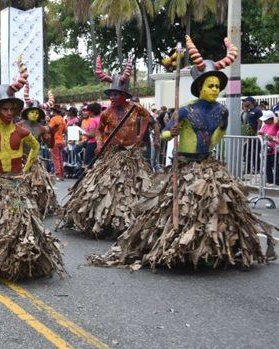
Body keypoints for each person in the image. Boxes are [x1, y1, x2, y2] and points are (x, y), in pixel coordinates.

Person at [91, 36, 275, 270]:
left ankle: (217, 247)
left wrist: (141, 139)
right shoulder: (186, 111)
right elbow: (164, 135)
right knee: (175, 208)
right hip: (184, 166)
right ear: (200, 87)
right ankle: (175, 246)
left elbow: (219, 134)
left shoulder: (222, 111)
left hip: (208, 167)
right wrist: (172, 132)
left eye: (217, 86)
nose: (214, 90)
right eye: (210, 86)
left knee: (218, 206)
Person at [0, 77, 65, 280]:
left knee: (23, 218)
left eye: (12, 109)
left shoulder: (22, 131)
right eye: (5, 110)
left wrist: (26, 170)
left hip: (18, 184)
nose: (9, 113)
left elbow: (36, 147)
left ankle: (27, 260)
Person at [59, 56, 152, 238]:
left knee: (136, 186)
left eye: (116, 94)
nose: (113, 97)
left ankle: (133, 221)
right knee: (105, 187)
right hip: (112, 154)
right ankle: (103, 219)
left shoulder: (135, 108)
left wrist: (141, 135)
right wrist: (100, 144)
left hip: (132, 153)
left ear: (124, 95)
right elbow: (100, 131)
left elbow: (147, 117)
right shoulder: (106, 113)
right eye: (111, 94)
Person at [16, 74, 58, 216]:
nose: (34, 114)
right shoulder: (18, 125)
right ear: (27, 113)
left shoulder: (42, 128)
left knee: (37, 186)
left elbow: (50, 145)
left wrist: (52, 134)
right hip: (19, 160)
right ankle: (22, 207)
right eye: (32, 112)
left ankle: (37, 207)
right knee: (21, 185)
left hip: (34, 161)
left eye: (36, 112)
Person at [258, 110, 279, 185]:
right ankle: (269, 179)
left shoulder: (275, 125)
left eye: (266, 120)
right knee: (267, 165)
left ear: (270, 119)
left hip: (274, 149)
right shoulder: (264, 125)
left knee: (275, 165)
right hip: (266, 148)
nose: (265, 121)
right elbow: (260, 133)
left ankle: (277, 181)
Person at [49, 106, 66, 180]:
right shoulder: (62, 119)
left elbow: (49, 129)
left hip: (55, 141)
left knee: (55, 158)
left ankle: (58, 174)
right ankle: (62, 175)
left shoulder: (53, 119)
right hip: (61, 141)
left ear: (54, 111)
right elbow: (65, 130)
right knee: (60, 158)